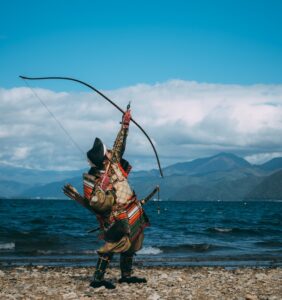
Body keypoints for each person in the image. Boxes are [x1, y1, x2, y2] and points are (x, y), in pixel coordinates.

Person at [82, 108, 152, 289]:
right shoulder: (95, 177)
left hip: (131, 209)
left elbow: (119, 144)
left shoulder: (113, 164)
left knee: (132, 242)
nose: (112, 152)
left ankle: (126, 275)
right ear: (104, 158)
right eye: (108, 152)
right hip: (117, 216)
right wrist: (107, 190)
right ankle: (98, 278)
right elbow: (96, 202)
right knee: (112, 245)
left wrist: (125, 124)